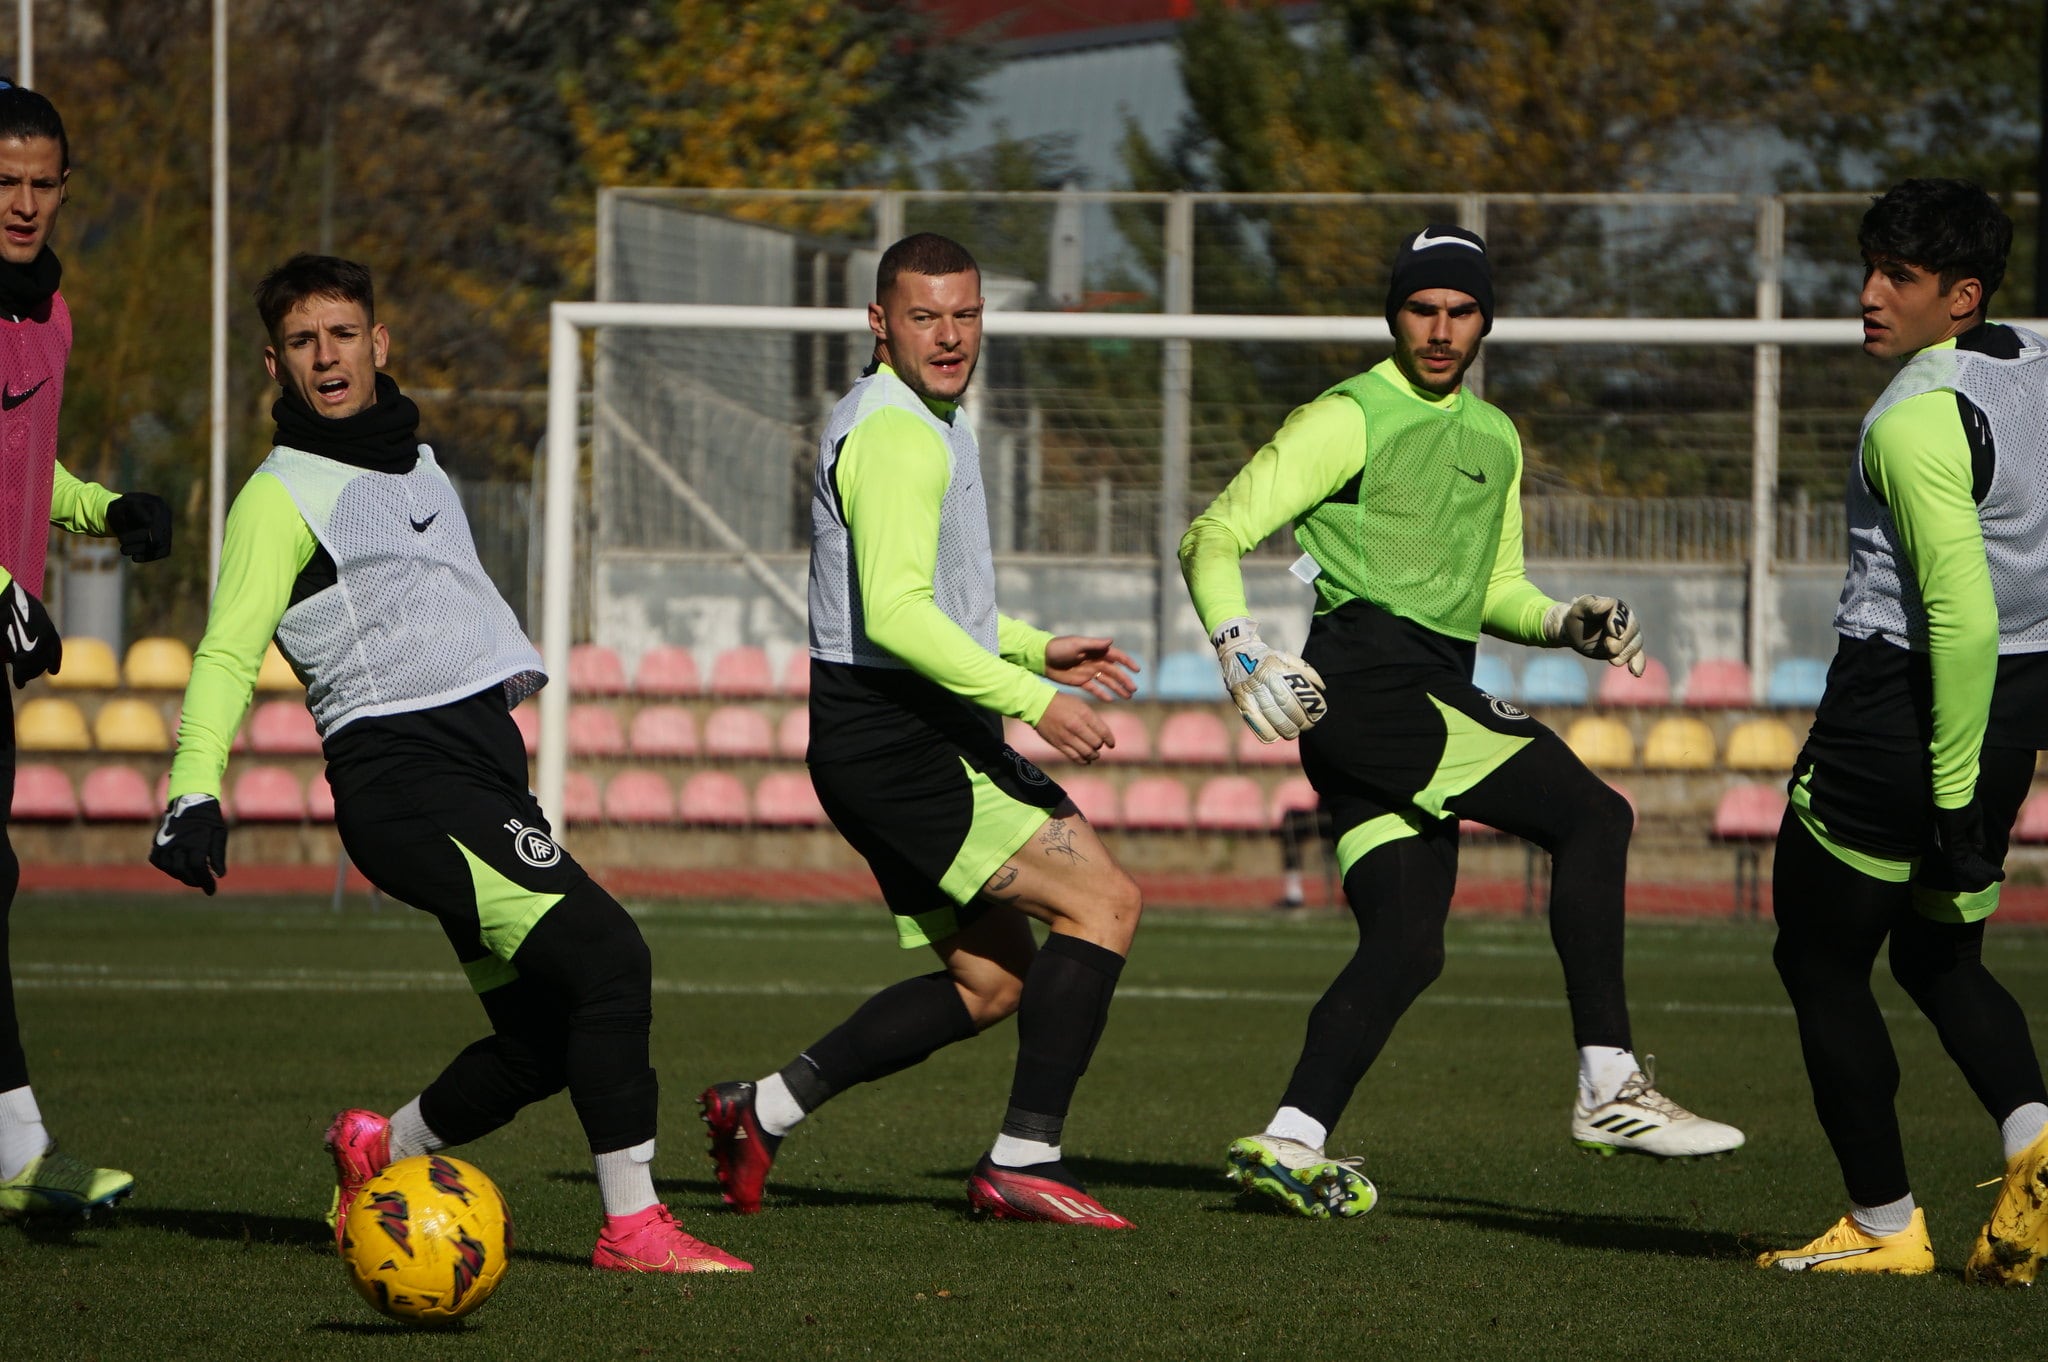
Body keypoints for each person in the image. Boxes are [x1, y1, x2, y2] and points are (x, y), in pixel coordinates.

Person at [148, 254, 746, 1274]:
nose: (325, 356)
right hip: (407, 782)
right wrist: (192, 789)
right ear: (274, 364)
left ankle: (380, 1148)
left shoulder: (415, 463)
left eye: (342, 334)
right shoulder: (278, 497)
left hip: (477, 776)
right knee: (610, 960)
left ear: (379, 345)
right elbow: (224, 653)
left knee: (544, 1040)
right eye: (302, 342)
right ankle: (634, 1227)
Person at [1179, 223, 1744, 1219]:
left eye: (1460, 310)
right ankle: (1608, 1084)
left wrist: (1566, 621)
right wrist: (1236, 649)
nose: (1439, 329)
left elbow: (1493, 588)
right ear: (1392, 313)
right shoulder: (1347, 415)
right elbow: (1211, 533)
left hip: (1408, 702)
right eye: (1419, 308)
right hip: (1377, 693)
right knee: (1595, 817)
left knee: (1405, 944)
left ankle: (1288, 1141)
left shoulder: (1493, 436)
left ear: (1484, 318)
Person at [699, 232, 1145, 1228]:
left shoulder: (918, 417)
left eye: (964, 314)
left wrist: (1031, 652)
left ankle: (760, 1110)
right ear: (878, 323)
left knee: (990, 982)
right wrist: (1035, 704)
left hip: (885, 733)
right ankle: (1025, 1159)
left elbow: (923, 602)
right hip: (901, 737)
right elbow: (896, 617)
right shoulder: (899, 434)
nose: (949, 336)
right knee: (1104, 904)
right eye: (923, 316)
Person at [1755, 180, 2048, 1281]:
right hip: (2010, 716)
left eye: (1900, 280)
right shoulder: (2032, 362)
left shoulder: (1916, 416)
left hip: (1900, 725)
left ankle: (1883, 1226)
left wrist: (1948, 784)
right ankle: (2033, 1141)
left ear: (1960, 297)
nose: (1868, 295)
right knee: (1938, 954)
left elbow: (1956, 614)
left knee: (1818, 963)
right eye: (1868, 267)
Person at [0, 83, 172, 1218]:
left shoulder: (50, 314)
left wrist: (102, 510)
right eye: (2, 182)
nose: (21, 203)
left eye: (40, 183)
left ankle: (16, 1148)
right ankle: (17, 1149)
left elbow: (26, 468)